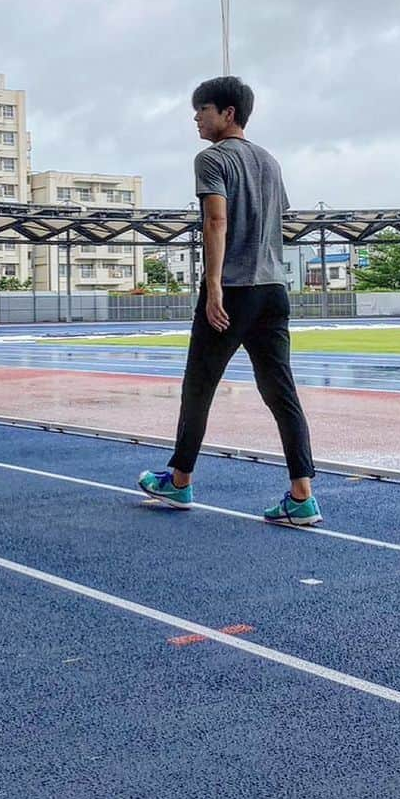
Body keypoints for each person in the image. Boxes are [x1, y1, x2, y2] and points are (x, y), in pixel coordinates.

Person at [137, 76, 321, 525]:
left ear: (227, 114)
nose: (196, 118)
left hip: (233, 289)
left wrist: (213, 284)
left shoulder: (212, 159)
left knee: (198, 387)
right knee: (281, 393)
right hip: (273, 290)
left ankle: (179, 483)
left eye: (202, 109)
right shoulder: (271, 162)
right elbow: (276, 221)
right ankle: (302, 497)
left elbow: (215, 220)